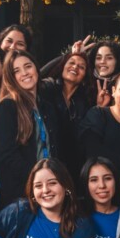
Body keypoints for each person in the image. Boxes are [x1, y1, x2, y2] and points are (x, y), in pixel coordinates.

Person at [0, 50, 60, 208]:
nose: (24, 73)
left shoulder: (47, 108)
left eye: (28, 66)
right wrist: (36, 180)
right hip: (21, 194)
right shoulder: (7, 107)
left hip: (50, 189)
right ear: (11, 77)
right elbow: (7, 154)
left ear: (36, 68)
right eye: (16, 71)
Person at [40, 51, 97, 179]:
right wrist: (68, 53)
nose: (75, 67)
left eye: (81, 67)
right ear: (62, 66)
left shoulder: (84, 101)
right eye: (71, 63)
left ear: (84, 75)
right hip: (49, 162)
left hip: (73, 168)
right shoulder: (48, 88)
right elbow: (37, 74)